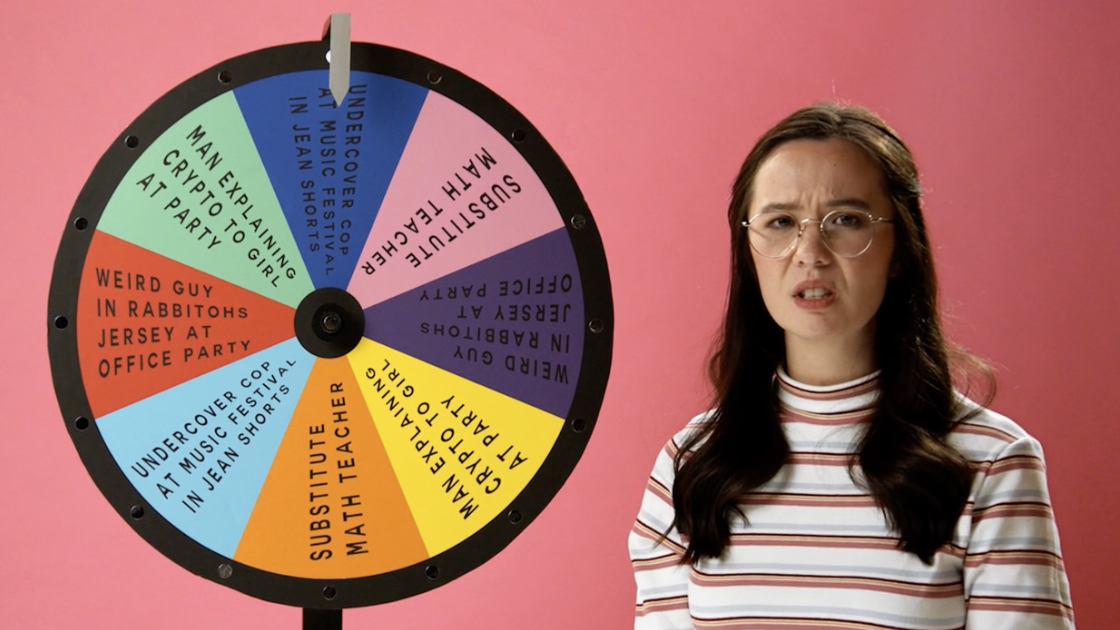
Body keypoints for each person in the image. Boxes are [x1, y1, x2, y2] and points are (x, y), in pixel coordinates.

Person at [629, 103, 1074, 629]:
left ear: (901, 249)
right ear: (747, 250)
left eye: (845, 220)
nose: (809, 251)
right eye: (780, 222)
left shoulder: (992, 463)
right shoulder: (690, 466)